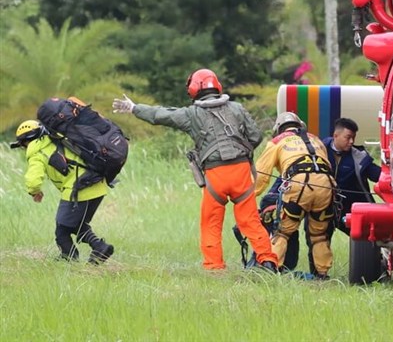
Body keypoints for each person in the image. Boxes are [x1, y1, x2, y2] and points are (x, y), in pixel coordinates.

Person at [112, 68, 278, 272]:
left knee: (211, 222)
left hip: (216, 176)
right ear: (217, 85)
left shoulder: (192, 114)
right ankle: (268, 261)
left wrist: (133, 108)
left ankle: (215, 268)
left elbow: (161, 115)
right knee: (250, 220)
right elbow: (256, 136)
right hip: (241, 172)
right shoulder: (237, 108)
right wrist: (240, 153)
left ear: (192, 89)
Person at [11, 119, 114, 263]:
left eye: (22, 144)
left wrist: (35, 192)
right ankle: (96, 249)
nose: (23, 148)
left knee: (62, 227)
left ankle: (73, 256)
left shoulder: (36, 152)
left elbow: (33, 181)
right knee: (74, 223)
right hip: (98, 184)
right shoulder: (58, 139)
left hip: (79, 189)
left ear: (26, 141)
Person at [254, 111, 335, 279]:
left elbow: (260, 175)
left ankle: (273, 270)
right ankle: (322, 274)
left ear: (279, 129)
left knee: (283, 232)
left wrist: (248, 196)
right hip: (326, 185)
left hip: (298, 185)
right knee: (319, 235)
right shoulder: (316, 140)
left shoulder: (277, 141)